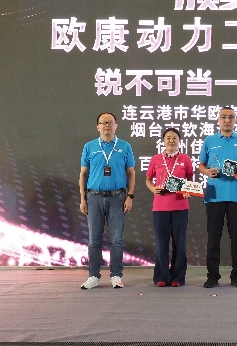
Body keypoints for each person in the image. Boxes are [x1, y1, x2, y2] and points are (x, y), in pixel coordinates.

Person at [198, 106, 237, 288]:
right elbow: (201, 165)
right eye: (223, 117)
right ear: (218, 120)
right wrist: (208, 172)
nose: (227, 120)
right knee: (213, 238)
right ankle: (212, 276)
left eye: (231, 117)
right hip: (214, 194)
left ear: (235, 120)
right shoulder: (210, 140)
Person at [79, 112, 135, 289]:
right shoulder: (89, 147)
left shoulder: (125, 146)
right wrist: (82, 199)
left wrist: (130, 196)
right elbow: (83, 174)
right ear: (98, 127)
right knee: (94, 240)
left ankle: (116, 276)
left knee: (116, 240)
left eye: (110, 122)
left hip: (117, 197)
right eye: (103, 123)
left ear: (116, 126)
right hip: (94, 197)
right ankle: (93, 276)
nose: (107, 126)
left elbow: (131, 173)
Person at [145, 128, 194, 287]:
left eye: (174, 138)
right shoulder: (156, 159)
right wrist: (153, 189)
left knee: (180, 243)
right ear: (163, 141)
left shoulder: (185, 159)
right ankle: (161, 276)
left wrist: (188, 190)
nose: (171, 141)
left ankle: (178, 277)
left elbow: (190, 178)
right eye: (168, 138)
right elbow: (148, 179)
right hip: (160, 207)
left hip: (180, 206)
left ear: (179, 141)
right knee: (161, 243)